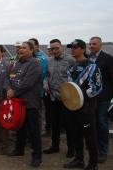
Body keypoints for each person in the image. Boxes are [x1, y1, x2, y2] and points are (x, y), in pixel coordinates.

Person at [64, 39, 102, 170]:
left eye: (75, 47)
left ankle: (93, 163)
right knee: (76, 135)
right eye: (71, 47)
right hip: (72, 108)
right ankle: (79, 159)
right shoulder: (71, 67)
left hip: (86, 109)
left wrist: (80, 97)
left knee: (90, 137)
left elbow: (97, 88)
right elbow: (69, 87)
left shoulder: (92, 66)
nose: (72, 49)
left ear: (82, 49)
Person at [7, 41, 43, 168]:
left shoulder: (35, 64)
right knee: (19, 127)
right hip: (18, 103)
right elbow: (11, 78)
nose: (20, 50)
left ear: (31, 50)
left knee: (33, 131)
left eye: (24, 48)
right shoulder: (16, 64)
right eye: (20, 48)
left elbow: (28, 83)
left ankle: (37, 156)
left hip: (30, 103)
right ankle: (19, 149)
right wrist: (9, 89)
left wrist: (14, 91)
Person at [43, 39, 75, 157]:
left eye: (56, 48)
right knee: (54, 124)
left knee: (68, 125)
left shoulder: (70, 60)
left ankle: (71, 149)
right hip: (53, 97)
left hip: (66, 98)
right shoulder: (49, 60)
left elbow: (75, 77)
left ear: (61, 47)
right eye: (52, 49)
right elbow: (47, 75)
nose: (54, 50)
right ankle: (54, 146)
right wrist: (45, 83)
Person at [89, 36, 113, 163]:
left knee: (102, 123)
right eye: (90, 44)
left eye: (94, 44)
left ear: (100, 45)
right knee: (93, 124)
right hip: (90, 98)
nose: (92, 46)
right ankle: (95, 147)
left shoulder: (108, 59)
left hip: (103, 97)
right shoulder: (88, 58)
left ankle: (103, 151)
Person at [29, 38, 50, 135]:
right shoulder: (27, 57)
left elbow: (41, 75)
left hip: (38, 92)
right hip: (27, 92)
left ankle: (37, 134)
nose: (30, 47)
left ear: (37, 46)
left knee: (37, 115)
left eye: (32, 45)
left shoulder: (42, 59)